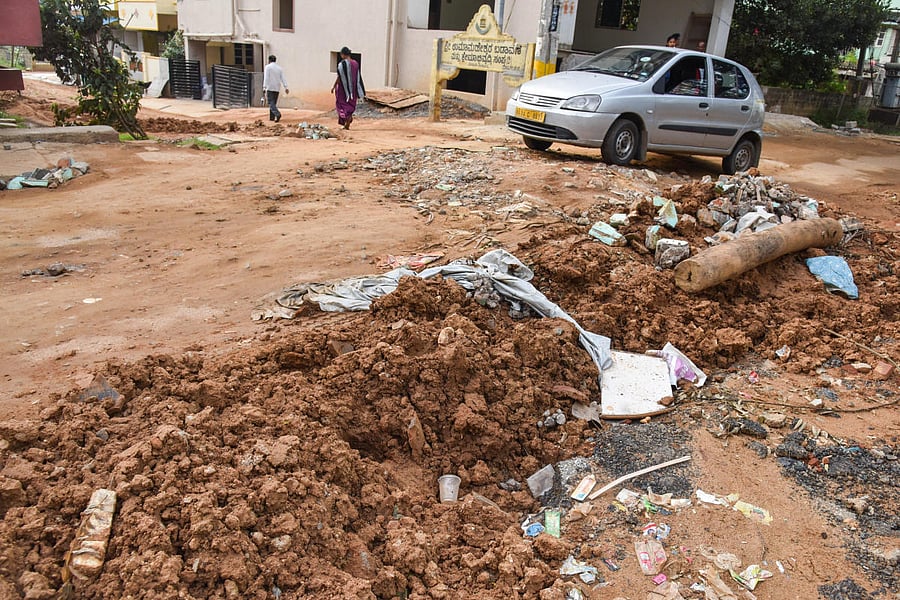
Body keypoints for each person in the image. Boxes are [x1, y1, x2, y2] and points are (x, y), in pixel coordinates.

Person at [331, 47, 365, 130]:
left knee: (341, 104)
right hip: (353, 90)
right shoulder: (356, 63)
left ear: (343, 54)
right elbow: (358, 77)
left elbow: (340, 77)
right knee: (350, 105)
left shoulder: (342, 65)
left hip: (343, 90)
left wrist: (334, 86)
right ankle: (348, 122)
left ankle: (347, 119)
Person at [263, 55, 289, 123]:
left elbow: (266, 78)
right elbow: (283, 78)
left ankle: (277, 114)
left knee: (271, 103)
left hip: (270, 87)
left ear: (269, 60)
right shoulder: (279, 68)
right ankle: (272, 117)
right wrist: (286, 87)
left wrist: (264, 87)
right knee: (273, 103)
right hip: (277, 87)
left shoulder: (268, 67)